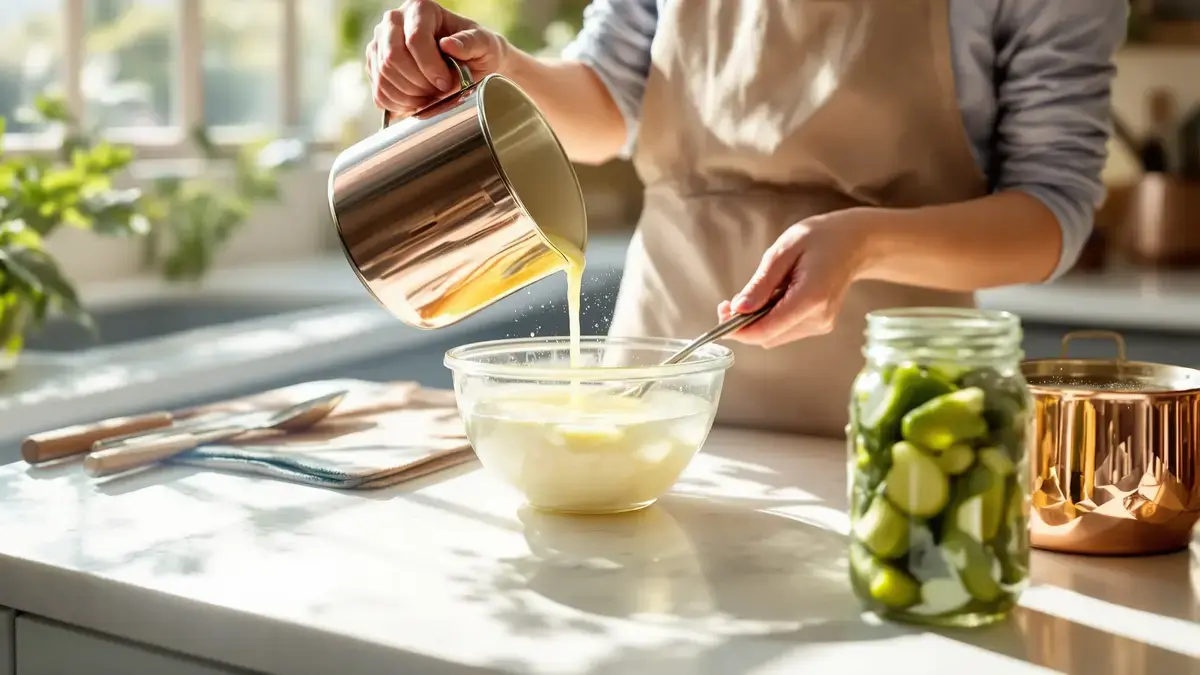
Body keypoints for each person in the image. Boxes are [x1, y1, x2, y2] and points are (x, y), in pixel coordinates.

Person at [365, 0, 1128, 437]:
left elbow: (1050, 212)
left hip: (899, 415)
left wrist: (863, 241)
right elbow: (608, 103)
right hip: (654, 401)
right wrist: (504, 67)